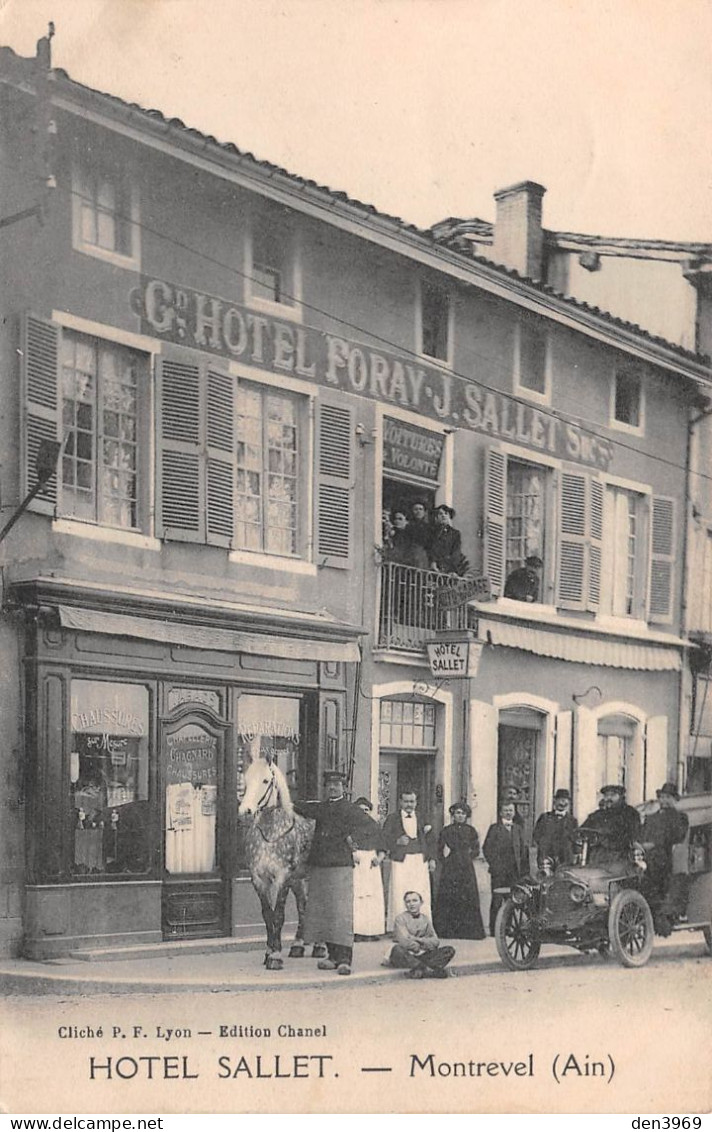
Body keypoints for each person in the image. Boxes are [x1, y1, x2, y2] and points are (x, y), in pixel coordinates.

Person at [295, 770, 374, 976]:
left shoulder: (351, 809)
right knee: (324, 913)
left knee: (341, 913)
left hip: (340, 866)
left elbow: (371, 827)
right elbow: (301, 807)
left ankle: (345, 959)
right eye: (329, 785)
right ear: (325, 788)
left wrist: (353, 839)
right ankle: (331, 956)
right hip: (319, 866)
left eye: (337, 785)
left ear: (344, 788)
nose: (332, 788)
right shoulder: (321, 808)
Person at [382, 790, 436, 930]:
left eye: (412, 801)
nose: (409, 805)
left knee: (420, 891)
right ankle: (399, 929)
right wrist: (397, 841)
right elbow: (383, 839)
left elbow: (431, 840)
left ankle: (422, 928)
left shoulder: (422, 817)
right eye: (406, 801)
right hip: (401, 861)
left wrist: (431, 859)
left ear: (416, 802)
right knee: (399, 892)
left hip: (419, 861)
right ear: (400, 802)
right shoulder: (392, 819)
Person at [433, 802, 486, 940]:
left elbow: (476, 848)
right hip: (451, 865)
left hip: (466, 866)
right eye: (457, 813)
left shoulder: (471, 830)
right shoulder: (446, 830)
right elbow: (439, 848)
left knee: (467, 896)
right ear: (453, 815)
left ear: (466, 815)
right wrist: (445, 861)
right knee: (449, 896)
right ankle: (447, 931)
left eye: (463, 813)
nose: (460, 815)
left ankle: (468, 932)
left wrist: (469, 857)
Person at [384, 891, 456, 979]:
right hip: (406, 954)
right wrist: (424, 943)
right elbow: (405, 941)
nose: (411, 904)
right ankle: (429, 970)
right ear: (405, 904)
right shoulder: (400, 919)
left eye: (414, 901)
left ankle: (421, 970)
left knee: (449, 950)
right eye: (408, 901)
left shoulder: (425, 919)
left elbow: (435, 941)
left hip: (422, 955)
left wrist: (417, 940)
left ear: (421, 903)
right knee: (397, 949)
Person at [483, 801, 528, 936]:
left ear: (514, 813)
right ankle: (495, 930)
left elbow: (523, 850)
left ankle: (509, 929)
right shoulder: (494, 828)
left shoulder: (518, 828)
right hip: (499, 872)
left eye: (511, 810)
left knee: (512, 900)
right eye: (506, 810)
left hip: (514, 872)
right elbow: (487, 848)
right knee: (497, 900)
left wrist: (523, 870)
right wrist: (495, 865)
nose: (508, 813)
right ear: (501, 813)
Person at [640, 781, 689, 904]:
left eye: (668, 797)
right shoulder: (650, 818)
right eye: (662, 797)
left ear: (674, 799)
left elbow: (678, 836)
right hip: (645, 855)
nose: (664, 800)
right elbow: (643, 835)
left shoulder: (680, 817)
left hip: (665, 857)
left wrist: (655, 844)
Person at [352, 796, 386, 939]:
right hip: (356, 861)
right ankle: (357, 931)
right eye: (360, 810)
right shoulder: (349, 826)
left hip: (371, 863)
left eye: (366, 810)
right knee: (357, 897)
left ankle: (371, 931)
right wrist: (351, 854)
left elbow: (383, 847)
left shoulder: (375, 826)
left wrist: (379, 859)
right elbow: (343, 843)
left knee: (372, 897)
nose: (364, 813)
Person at [581, 784, 641, 864]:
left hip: (620, 856)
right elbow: (582, 830)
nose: (609, 798)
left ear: (621, 796)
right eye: (606, 795)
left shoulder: (630, 813)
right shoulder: (597, 815)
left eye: (613, 795)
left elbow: (632, 836)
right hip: (597, 856)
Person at [532, 789, 579, 870]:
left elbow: (576, 840)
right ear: (555, 801)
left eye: (565, 800)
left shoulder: (572, 821)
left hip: (565, 859)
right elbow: (536, 835)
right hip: (547, 857)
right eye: (560, 800)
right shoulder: (545, 817)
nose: (563, 803)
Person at [428, 504, 464, 575]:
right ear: (436, 517)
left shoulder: (455, 534)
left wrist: (452, 570)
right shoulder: (431, 532)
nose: (443, 515)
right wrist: (432, 562)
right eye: (440, 514)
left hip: (447, 568)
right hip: (431, 568)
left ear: (449, 516)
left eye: (446, 513)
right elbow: (429, 548)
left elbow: (456, 552)